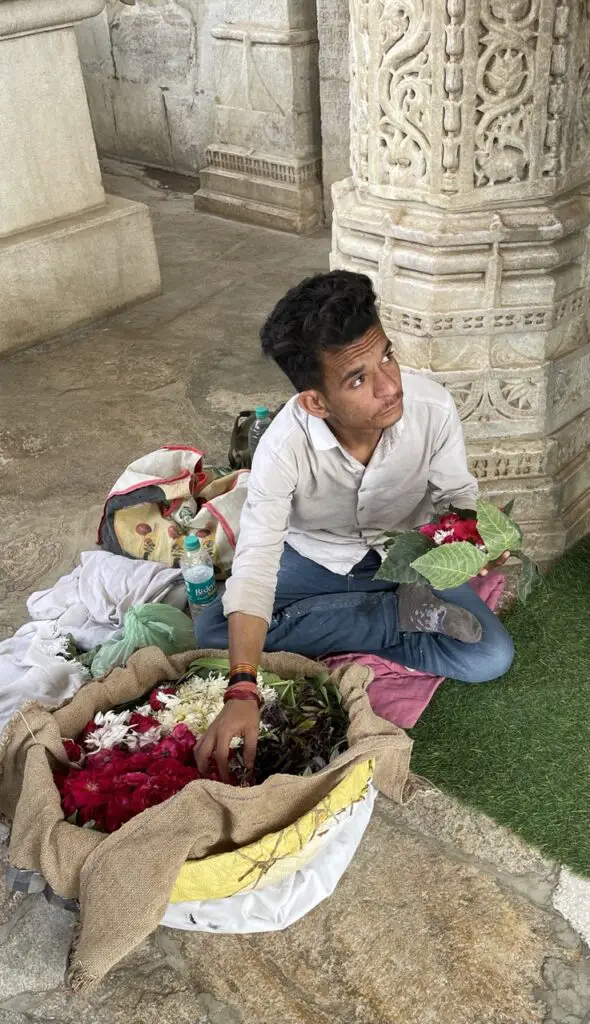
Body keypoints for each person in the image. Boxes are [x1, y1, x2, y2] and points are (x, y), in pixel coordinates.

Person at [195, 271, 513, 780]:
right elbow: (256, 561)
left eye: (386, 355)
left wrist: (473, 537)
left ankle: (364, 618)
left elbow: (455, 497)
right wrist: (241, 688)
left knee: (490, 656)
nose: (390, 386)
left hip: (406, 559)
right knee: (211, 629)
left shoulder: (431, 409)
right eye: (358, 378)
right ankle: (394, 620)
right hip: (315, 557)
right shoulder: (282, 447)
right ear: (315, 402)